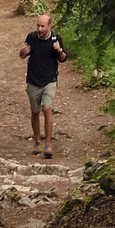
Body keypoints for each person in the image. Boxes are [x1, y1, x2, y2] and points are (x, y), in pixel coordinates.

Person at [19, 9, 67, 160]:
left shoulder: (56, 38)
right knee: (35, 111)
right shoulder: (32, 37)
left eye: (43, 26)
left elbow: (63, 58)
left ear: (49, 26)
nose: (40, 29)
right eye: (38, 26)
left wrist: (59, 50)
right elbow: (22, 55)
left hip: (50, 79)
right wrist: (23, 52)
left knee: (47, 108)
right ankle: (37, 141)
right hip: (33, 80)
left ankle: (48, 144)